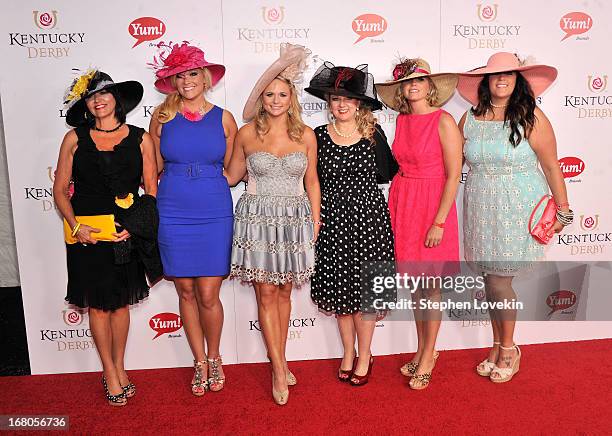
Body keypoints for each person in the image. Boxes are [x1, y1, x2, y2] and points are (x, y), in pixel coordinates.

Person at [457, 52, 571, 383]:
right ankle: (497, 345)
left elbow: (551, 165)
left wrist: (563, 209)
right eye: (495, 75)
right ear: (486, 82)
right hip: (480, 206)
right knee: (490, 280)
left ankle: (508, 348)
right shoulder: (471, 118)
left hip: (518, 207)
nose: (502, 79)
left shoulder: (531, 116)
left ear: (518, 79)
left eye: (508, 73)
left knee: (499, 280)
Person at [54, 70, 159, 406]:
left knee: (120, 305)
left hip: (122, 232)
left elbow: (151, 191)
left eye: (104, 94)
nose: (98, 100)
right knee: (98, 306)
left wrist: (135, 224)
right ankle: (110, 372)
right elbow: (59, 190)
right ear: (86, 104)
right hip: (87, 235)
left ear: (117, 99)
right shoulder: (74, 139)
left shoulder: (141, 139)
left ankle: (119, 366)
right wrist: (75, 226)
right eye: (91, 96)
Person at [225, 43, 320, 405]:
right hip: (258, 218)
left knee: (283, 292)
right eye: (269, 94)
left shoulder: (306, 134)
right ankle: (279, 367)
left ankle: (279, 357)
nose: (275, 100)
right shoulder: (247, 133)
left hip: (295, 218)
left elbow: (312, 182)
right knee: (266, 291)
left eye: (282, 94)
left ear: (291, 98)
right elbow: (232, 176)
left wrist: (315, 219)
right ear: (261, 98)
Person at [149, 42, 238, 395]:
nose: (187, 81)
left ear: (206, 78)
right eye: (181, 75)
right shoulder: (162, 117)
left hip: (214, 208)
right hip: (172, 207)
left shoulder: (224, 117)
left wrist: (206, 180)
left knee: (207, 292)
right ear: (173, 81)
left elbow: (232, 169)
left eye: (193, 74)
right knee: (184, 290)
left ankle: (214, 357)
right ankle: (198, 360)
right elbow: (152, 168)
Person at [305, 63, 396, 386]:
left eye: (348, 98)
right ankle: (348, 352)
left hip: (369, 222)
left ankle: (366, 353)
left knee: (367, 294)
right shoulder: (317, 136)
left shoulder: (374, 134)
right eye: (334, 98)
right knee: (341, 293)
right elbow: (310, 180)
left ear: (360, 103)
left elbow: (386, 174)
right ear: (328, 103)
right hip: (332, 223)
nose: (341, 104)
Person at [376, 58, 462, 390]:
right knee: (415, 286)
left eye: (419, 81)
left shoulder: (444, 120)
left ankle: (429, 354)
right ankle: (421, 348)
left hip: (432, 205)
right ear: (401, 89)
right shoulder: (401, 120)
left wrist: (439, 221)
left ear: (430, 87)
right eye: (407, 81)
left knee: (432, 287)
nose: (413, 85)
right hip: (405, 200)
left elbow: (453, 174)